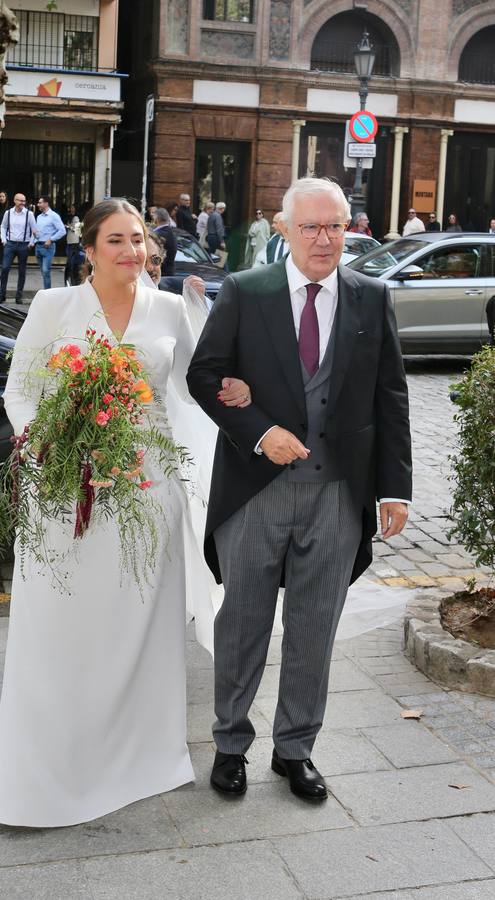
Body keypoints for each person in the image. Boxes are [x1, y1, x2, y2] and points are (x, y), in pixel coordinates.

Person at [0, 198, 251, 827]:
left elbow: (199, 382)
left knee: (137, 623)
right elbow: (20, 389)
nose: (133, 251)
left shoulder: (167, 309)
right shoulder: (54, 307)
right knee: (62, 627)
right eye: (117, 240)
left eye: (139, 240)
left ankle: (142, 757)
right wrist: (43, 442)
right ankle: (51, 764)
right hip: (66, 489)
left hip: (144, 487)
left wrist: (241, 388)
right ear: (88, 249)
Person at [187, 176, 412, 802]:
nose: (324, 238)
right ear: (283, 229)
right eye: (310, 226)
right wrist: (260, 432)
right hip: (255, 491)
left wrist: (394, 488)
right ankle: (230, 744)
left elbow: (390, 398)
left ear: (350, 228)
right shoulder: (246, 291)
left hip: (338, 493)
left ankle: (296, 750)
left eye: (335, 225)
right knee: (244, 622)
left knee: (316, 625)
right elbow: (204, 376)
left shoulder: (371, 297)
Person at [0, 193, 38, 304]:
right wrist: (3, 239)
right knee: (5, 268)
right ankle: (2, 295)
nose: (22, 203)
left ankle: (18, 296)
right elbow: (3, 226)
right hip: (10, 244)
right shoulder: (8, 213)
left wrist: (31, 242)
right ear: (15, 201)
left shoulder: (29, 214)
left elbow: (34, 230)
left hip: (23, 245)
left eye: (24, 201)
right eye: (20, 201)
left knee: (22, 271)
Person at [35, 196, 66, 290]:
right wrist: (32, 242)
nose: (38, 204)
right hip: (38, 247)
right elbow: (37, 231)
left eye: (40, 202)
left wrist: (51, 239)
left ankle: (47, 293)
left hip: (48, 247)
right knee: (43, 272)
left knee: (45, 271)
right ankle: (46, 292)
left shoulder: (54, 216)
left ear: (46, 203)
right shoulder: (39, 217)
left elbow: (62, 231)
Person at [153, 206, 177, 276]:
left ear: (156, 218)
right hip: (169, 272)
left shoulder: (157, 234)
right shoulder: (172, 232)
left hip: (161, 274)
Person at [64, 203, 81, 279]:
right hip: (70, 240)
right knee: (69, 258)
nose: (71, 209)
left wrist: (68, 226)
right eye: (70, 207)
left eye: (72, 207)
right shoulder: (70, 217)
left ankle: (72, 273)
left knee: (71, 259)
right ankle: (70, 272)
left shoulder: (76, 218)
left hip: (74, 241)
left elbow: (77, 229)